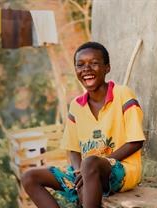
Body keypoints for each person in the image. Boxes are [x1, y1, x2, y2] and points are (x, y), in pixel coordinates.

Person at [21, 42, 146, 208]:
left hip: (121, 171)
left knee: (89, 163)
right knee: (29, 177)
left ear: (107, 68)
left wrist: (90, 169)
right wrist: (81, 174)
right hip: (88, 170)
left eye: (94, 63)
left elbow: (136, 141)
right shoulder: (76, 105)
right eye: (80, 65)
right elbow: (73, 149)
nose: (86, 68)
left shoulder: (123, 94)